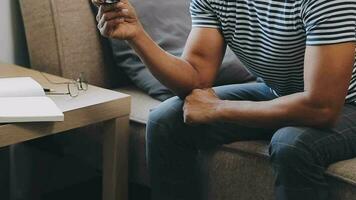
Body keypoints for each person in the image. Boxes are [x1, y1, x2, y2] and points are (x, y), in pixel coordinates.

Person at [93, 0, 356, 199]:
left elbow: (322, 106)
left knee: (292, 144)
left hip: (346, 102)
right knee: (166, 120)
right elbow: (196, 77)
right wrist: (137, 36)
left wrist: (219, 108)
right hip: (281, 91)